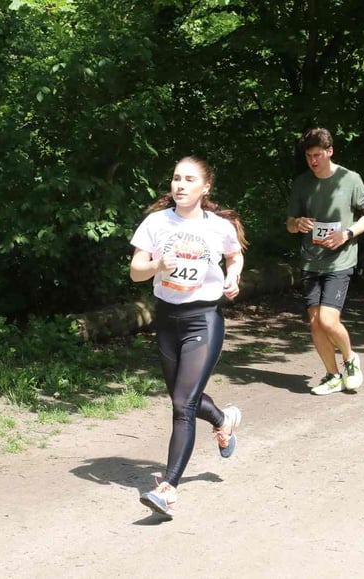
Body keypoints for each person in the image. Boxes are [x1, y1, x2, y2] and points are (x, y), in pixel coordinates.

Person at [130, 156, 247, 518]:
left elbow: (235, 256)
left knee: (182, 405)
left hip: (203, 320)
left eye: (189, 179)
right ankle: (223, 419)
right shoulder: (156, 222)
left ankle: (167, 489)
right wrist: (157, 265)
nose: (180, 185)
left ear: (205, 187)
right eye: (176, 178)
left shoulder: (219, 227)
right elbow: (136, 272)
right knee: (184, 400)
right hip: (167, 320)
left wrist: (233, 278)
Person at [286, 128, 364, 395]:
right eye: (308, 156)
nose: (313, 161)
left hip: (340, 261)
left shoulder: (350, 179)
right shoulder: (302, 183)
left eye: (317, 155)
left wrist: (347, 234)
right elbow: (289, 224)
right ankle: (332, 375)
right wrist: (298, 223)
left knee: (328, 320)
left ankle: (350, 358)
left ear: (330, 151)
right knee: (315, 323)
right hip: (310, 261)